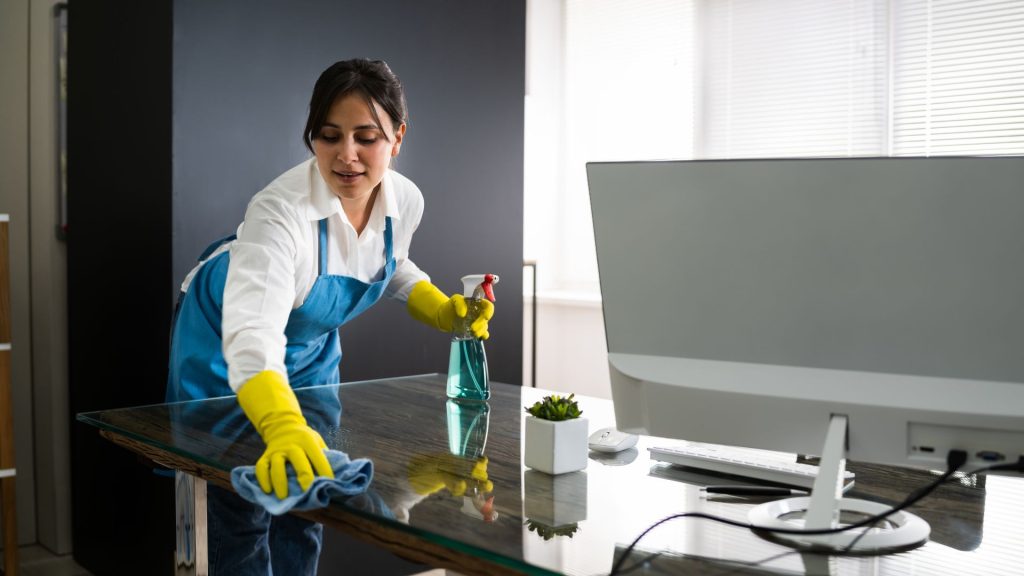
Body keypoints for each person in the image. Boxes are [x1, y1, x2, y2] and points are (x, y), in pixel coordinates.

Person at [166, 58, 494, 575]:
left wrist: (442, 310)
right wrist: (280, 424)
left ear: (397, 137)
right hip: (225, 339)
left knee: (310, 496)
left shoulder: (405, 201)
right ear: (312, 137)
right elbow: (253, 336)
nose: (347, 156)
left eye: (367, 137)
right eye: (329, 135)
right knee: (240, 499)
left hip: (310, 349)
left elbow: (389, 262)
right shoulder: (279, 212)